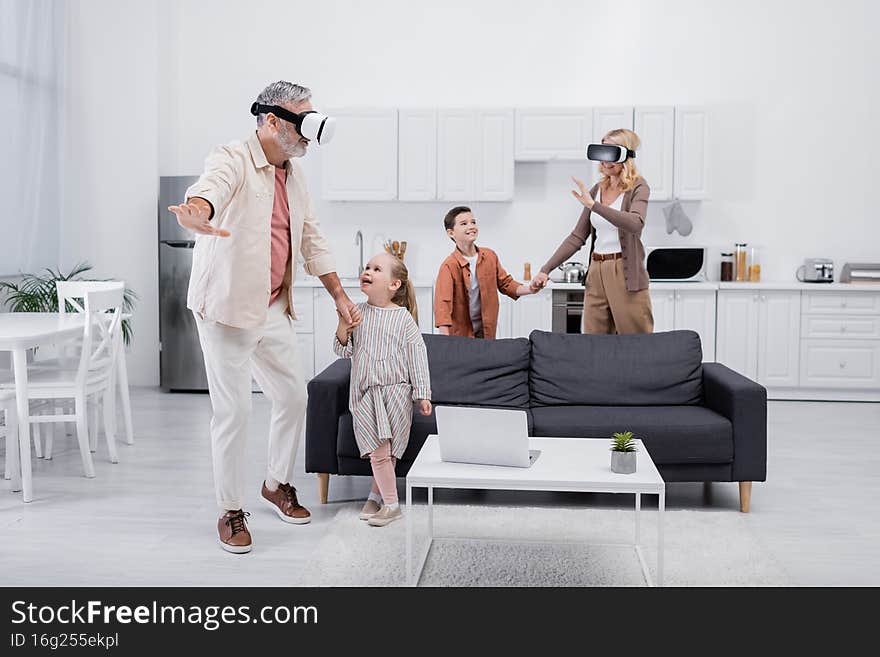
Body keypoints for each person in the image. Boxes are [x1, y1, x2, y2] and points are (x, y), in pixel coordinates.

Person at [168, 81, 361, 554]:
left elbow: (311, 238)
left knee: (293, 397)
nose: (310, 133)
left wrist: (339, 295)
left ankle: (275, 484)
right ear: (271, 120)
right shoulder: (233, 157)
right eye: (304, 121)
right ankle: (229, 510)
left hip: (273, 304)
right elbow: (210, 188)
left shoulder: (294, 175)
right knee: (234, 412)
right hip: (228, 311)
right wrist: (197, 211)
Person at [333, 253, 432, 527]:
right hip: (364, 394)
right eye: (367, 267)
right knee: (377, 449)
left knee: (386, 453)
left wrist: (422, 393)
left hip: (397, 394)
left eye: (377, 269)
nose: (368, 271)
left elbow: (417, 356)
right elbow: (343, 350)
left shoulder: (402, 319)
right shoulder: (356, 312)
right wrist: (343, 325)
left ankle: (379, 498)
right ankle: (389, 502)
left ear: (394, 285)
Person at [531, 128, 654, 334]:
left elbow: (635, 223)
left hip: (624, 272)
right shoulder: (597, 189)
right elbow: (577, 237)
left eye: (611, 153)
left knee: (635, 341)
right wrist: (546, 269)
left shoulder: (638, 187)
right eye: (602, 153)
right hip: (596, 272)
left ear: (626, 156)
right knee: (593, 342)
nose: (605, 161)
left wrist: (594, 206)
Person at [434, 206, 537, 338]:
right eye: (464, 224)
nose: (471, 226)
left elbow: (506, 284)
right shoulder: (448, 266)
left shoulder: (490, 256)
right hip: (461, 337)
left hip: (487, 333)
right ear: (451, 233)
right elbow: (443, 306)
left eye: (473, 222)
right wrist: (445, 342)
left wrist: (531, 289)